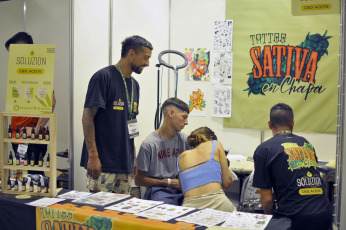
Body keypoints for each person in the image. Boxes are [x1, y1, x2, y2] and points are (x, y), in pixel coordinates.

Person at [80, 35, 153, 194]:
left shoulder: (134, 85)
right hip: (102, 164)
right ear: (132, 54)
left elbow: (131, 122)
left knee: (120, 215)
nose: (147, 64)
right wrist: (92, 156)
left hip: (124, 165)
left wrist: (132, 158)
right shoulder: (103, 77)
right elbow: (87, 116)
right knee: (98, 214)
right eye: (145, 58)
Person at [252, 103, 332, 230]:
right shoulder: (306, 144)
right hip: (324, 213)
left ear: (269, 124)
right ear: (292, 124)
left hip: (293, 218)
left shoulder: (264, 149)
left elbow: (266, 198)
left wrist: (271, 220)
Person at [5, 32, 56, 168]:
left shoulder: (38, 72)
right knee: (20, 177)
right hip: (17, 136)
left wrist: (37, 129)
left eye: (15, 51)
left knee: (32, 179)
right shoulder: (19, 74)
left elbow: (51, 103)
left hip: (32, 138)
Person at [135, 97, 189, 205]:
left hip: (181, 188)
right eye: (184, 117)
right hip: (158, 190)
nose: (186, 122)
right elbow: (138, 180)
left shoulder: (183, 140)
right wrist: (168, 182)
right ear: (171, 113)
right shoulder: (149, 145)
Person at [177, 127, 236, 212]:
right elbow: (227, 183)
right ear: (211, 138)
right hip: (218, 203)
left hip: (190, 207)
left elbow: (183, 188)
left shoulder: (181, 157)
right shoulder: (215, 143)